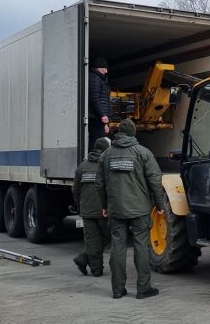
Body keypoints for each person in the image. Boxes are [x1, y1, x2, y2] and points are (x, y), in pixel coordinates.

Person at [96, 119, 166, 299]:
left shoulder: (106, 155)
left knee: (117, 247)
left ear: (118, 133)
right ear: (134, 133)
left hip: (116, 210)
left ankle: (117, 290)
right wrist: (160, 205)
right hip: (140, 209)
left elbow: (99, 183)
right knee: (141, 246)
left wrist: (104, 205)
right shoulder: (144, 153)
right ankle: (143, 289)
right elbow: (155, 181)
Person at [72, 137, 112, 277]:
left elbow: (75, 190)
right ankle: (85, 260)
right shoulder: (107, 166)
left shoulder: (82, 166)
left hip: (87, 211)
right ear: (107, 149)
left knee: (92, 239)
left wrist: (80, 206)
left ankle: (95, 269)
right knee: (108, 237)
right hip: (104, 211)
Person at [88, 57, 111, 150]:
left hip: (99, 118)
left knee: (99, 142)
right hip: (96, 118)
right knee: (96, 143)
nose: (106, 71)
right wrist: (102, 115)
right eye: (105, 69)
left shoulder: (100, 79)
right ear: (98, 68)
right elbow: (94, 98)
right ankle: (94, 161)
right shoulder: (95, 79)